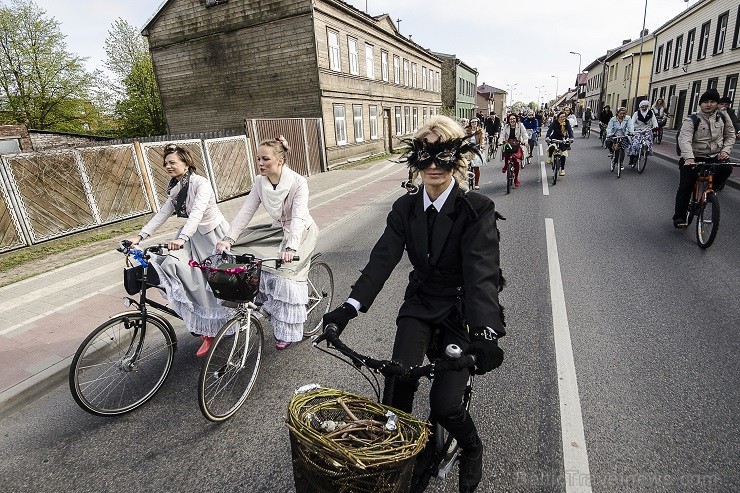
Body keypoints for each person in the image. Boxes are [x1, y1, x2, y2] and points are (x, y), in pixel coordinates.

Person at [318, 114, 506, 493]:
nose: (434, 165)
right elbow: (382, 259)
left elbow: (481, 274)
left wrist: (486, 333)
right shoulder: (404, 208)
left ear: (458, 158)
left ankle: (472, 448)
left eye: (443, 154)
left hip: (460, 309)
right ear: (415, 160)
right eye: (425, 155)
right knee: (397, 386)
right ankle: (399, 460)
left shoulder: (477, 209)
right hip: (420, 302)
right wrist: (349, 307)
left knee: (445, 405)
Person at [126, 143, 233, 357]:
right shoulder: (176, 187)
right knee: (175, 268)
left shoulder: (201, 184)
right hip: (190, 238)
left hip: (213, 237)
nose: (168, 166)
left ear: (186, 163)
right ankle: (206, 329)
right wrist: (139, 236)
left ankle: (224, 322)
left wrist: (182, 237)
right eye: (166, 163)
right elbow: (162, 214)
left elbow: (196, 214)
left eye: (172, 162)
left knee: (215, 283)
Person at [215, 136, 318, 350]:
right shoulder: (259, 182)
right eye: (258, 159)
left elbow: (298, 217)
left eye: (266, 159)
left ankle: (287, 332)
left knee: (285, 276)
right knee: (244, 257)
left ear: (280, 160)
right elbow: (246, 211)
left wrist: (291, 247)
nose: (261, 163)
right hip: (277, 230)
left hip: (301, 232)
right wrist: (228, 238)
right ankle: (266, 304)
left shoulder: (298, 182)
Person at [673, 89, 736, 228]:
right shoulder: (692, 119)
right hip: (694, 155)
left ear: (717, 104)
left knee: (726, 168)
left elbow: (730, 135)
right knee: (686, 186)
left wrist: (725, 151)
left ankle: (711, 191)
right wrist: (689, 158)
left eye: (712, 102)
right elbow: (684, 139)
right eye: (705, 102)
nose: (709, 104)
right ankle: (679, 217)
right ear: (700, 104)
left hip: (715, 155)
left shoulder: (724, 117)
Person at [501, 113, 530, 188]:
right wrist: (500, 141)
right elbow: (502, 134)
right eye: (510, 119)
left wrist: (525, 141)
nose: (512, 120)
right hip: (508, 143)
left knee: (516, 161)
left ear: (516, 119)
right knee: (506, 154)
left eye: (513, 119)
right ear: (508, 120)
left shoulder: (520, 125)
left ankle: (516, 178)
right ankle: (505, 165)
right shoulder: (506, 126)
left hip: (517, 143)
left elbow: (524, 134)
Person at [627, 100, 658, 167]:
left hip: (647, 130)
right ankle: (633, 157)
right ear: (640, 107)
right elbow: (632, 122)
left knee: (648, 142)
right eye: (642, 107)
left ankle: (645, 152)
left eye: (645, 107)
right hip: (638, 130)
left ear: (647, 106)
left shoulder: (651, 112)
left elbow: (654, 120)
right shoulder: (636, 113)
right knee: (635, 143)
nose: (644, 108)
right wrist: (631, 130)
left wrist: (655, 126)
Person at [545, 111, 574, 176]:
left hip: (563, 139)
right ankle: (549, 158)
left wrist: (571, 138)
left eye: (564, 116)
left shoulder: (567, 122)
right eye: (561, 117)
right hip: (554, 137)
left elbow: (569, 130)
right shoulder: (554, 122)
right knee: (552, 147)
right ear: (558, 117)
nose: (562, 118)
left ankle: (562, 170)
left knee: (563, 154)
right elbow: (550, 130)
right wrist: (547, 137)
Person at [465, 118, 485, 189]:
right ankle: (465, 181)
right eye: (472, 122)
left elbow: (482, 139)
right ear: (470, 123)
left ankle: (476, 184)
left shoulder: (480, 131)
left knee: (476, 167)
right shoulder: (467, 130)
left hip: (476, 148)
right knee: (465, 165)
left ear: (477, 123)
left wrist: (482, 145)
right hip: (468, 148)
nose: (474, 124)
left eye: (475, 122)